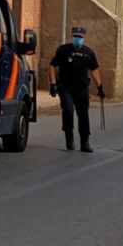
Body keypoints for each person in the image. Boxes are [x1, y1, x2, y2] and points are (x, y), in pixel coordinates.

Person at [48, 25, 105, 153]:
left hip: (81, 87)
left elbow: (94, 70)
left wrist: (100, 87)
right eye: (76, 37)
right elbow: (52, 66)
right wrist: (53, 84)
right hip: (65, 87)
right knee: (68, 110)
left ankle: (85, 142)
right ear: (72, 37)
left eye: (80, 37)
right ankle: (69, 137)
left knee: (83, 114)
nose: (77, 39)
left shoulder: (88, 53)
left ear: (84, 38)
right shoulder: (63, 50)